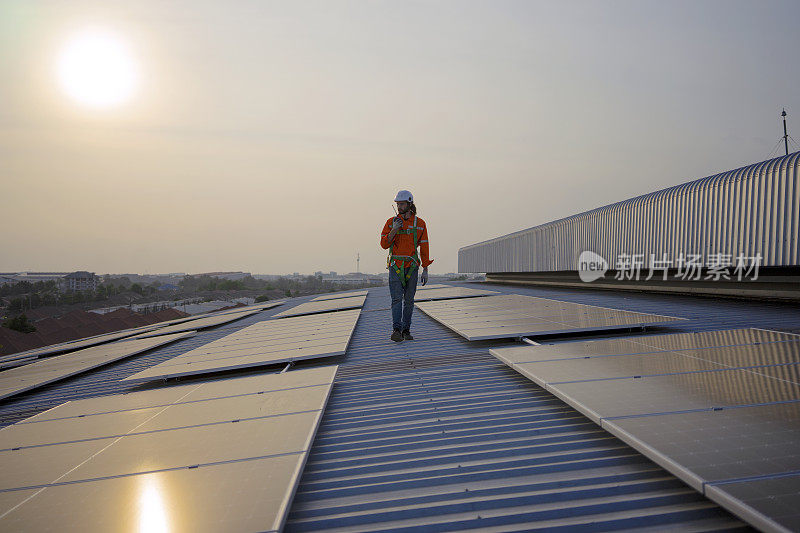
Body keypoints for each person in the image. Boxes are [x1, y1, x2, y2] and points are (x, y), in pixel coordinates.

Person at [380, 190, 433, 342]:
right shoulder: (391, 223)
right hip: (396, 266)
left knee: (409, 300)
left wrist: (426, 269)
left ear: (410, 204)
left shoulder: (420, 224)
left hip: (411, 266)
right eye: (397, 204)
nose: (399, 207)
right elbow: (384, 245)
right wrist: (394, 230)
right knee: (397, 299)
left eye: (402, 204)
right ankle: (396, 330)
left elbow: (424, 247)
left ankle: (406, 330)